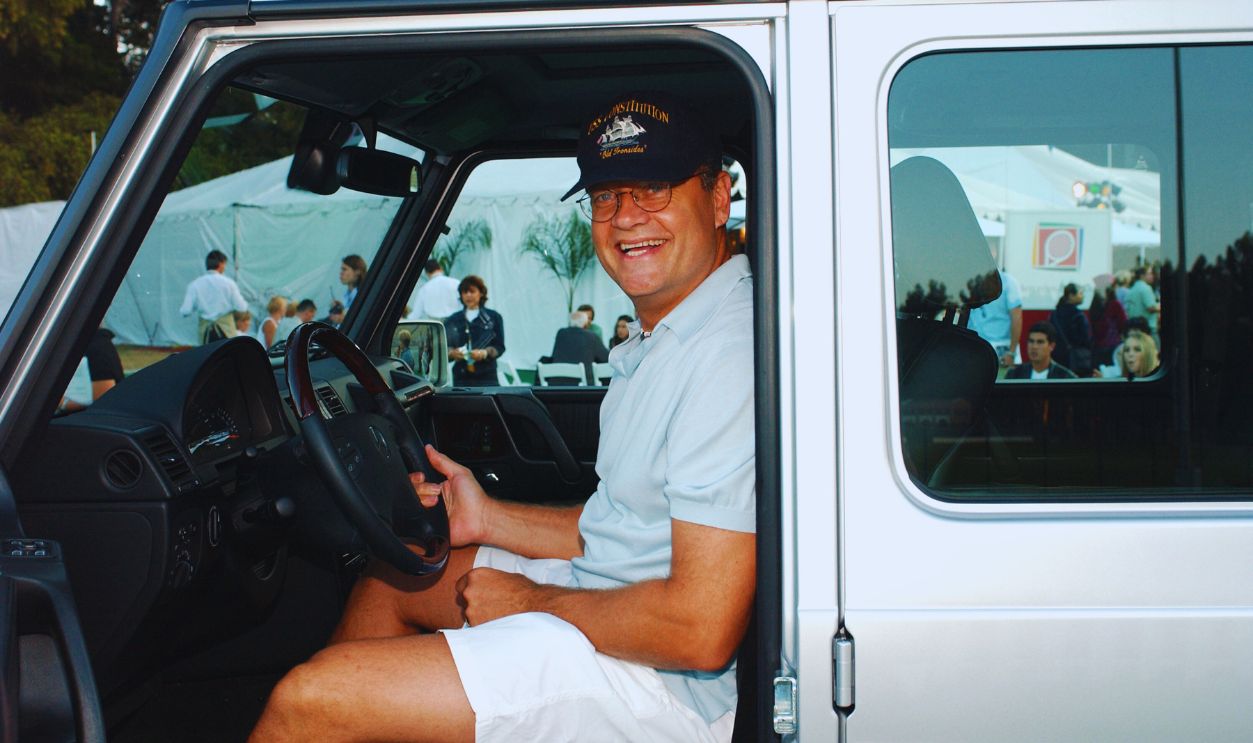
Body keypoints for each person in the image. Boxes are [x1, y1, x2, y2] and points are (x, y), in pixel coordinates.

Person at [251, 91, 753, 743]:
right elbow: (627, 526)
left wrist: (530, 603)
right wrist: (487, 518)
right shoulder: (668, 335)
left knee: (309, 699)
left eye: (652, 187)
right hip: (617, 600)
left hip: (666, 688)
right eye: (605, 195)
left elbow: (699, 630)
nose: (626, 217)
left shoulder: (723, 355)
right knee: (394, 579)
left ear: (717, 199)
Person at [444, 275, 505, 387]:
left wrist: (484, 353)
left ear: (481, 293)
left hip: (488, 376)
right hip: (461, 377)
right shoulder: (452, 320)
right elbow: (445, 348)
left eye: (472, 291)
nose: (468, 295)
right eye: (464, 292)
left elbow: (500, 347)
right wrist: (452, 353)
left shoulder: (494, 317)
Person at [966, 247, 1023, 368]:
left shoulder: (1008, 282)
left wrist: (1011, 353)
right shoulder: (970, 283)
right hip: (975, 348)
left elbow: (1017, 319)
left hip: (1002, 350)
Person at [179, 249, 248, 344]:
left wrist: (199, 306)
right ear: (221, 264)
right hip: (226, 331)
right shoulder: (229, 283)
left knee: (208, 357)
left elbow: (185, 311)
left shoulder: (195, 284)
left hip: (206, 333)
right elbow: (242, 307)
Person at [543, 310, 610, 384]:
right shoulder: (591, 336)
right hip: (582, 387)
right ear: (585, 324)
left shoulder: (561, 333)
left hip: (556, 384)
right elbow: (607, 358)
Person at [1048, 282, 1093, 376]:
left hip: (1057, 357)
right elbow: (1086, 339)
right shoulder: (1079, 315)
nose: (1083, 296)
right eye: (1080, 293)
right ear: (1071, 295)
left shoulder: (1054, 314)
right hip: (1076, 360)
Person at [1006, 322, 1078, 380]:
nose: (1034, 347)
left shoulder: (1065, 377)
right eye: (1031, 341)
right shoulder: (1014, 375)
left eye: (1040, 342)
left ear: (1051, 346)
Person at [1089, 284, 1127, 367]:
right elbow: (1123, 322)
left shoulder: (1094, 305)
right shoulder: (1115, 304)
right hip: (1113, 344)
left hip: (1097, 345)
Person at [1123, 265, 1160, 342]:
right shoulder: (1146, 288)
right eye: (1150, 273)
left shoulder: (1131, 290)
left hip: (1134, 329)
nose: (1152, 276)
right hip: (1148, 328)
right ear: (1142, 276)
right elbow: (1151, 308)